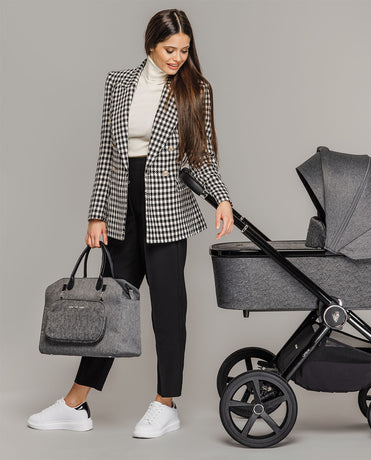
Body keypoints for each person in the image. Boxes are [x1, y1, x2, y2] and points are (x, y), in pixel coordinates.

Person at [27, 9, 233, 438]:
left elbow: (201, 158)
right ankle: (75, 405)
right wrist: (96, 213)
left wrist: (221, 198)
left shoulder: (196, 90)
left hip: (168, 211)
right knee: (110, 307)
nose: (178, 57)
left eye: (184, 50)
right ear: (150, 45)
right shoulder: (118, 84)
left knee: (168, 311)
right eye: (169, 49)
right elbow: (107, 154)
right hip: (122, 210)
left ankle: (165, 403)